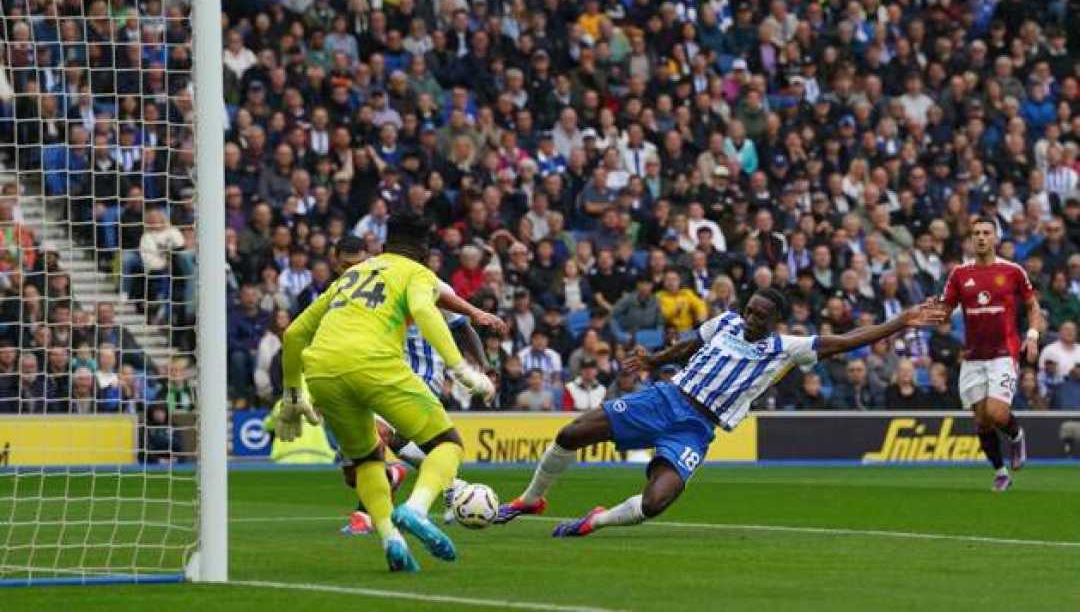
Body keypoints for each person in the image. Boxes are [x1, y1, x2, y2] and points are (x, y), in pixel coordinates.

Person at [494, 287, 942, 536]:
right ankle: (531, 499)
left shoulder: (787, 349)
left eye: (760, 316)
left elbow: (845, 342)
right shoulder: (726, 321)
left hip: (696, 427)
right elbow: (692, 342)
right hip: (664, 398)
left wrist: (899, 322)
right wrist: (655, 360)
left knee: (655, 502)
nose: (750, 319)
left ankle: (597, 520)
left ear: (774, 322)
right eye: (749, 310)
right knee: (574, 432)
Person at [276, 212, 495, 572]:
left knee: (366, 461)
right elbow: (426, 312)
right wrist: (463, 371)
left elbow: (294, 334)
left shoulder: (352, 275)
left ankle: (390, 538)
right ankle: (416, 509)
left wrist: (291, 394)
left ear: (383, 243)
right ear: (424, 249)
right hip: (375, 365)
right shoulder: (417, 273)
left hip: (322, 372)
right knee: (447, 445)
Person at [937, 217, 1043, 491]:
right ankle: (1000, 472)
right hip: (973, 356)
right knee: (982, 420)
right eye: (976, 233)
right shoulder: (960, 274)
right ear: (971, 239)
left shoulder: (1013, 271)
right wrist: (932, 312)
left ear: (995, 238)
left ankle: (1017, 435)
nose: (981, 237)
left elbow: (1032, 306)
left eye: (986, 233)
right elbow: (945, 310)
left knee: (997, 413)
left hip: (1003, 353)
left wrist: (1032, 336)